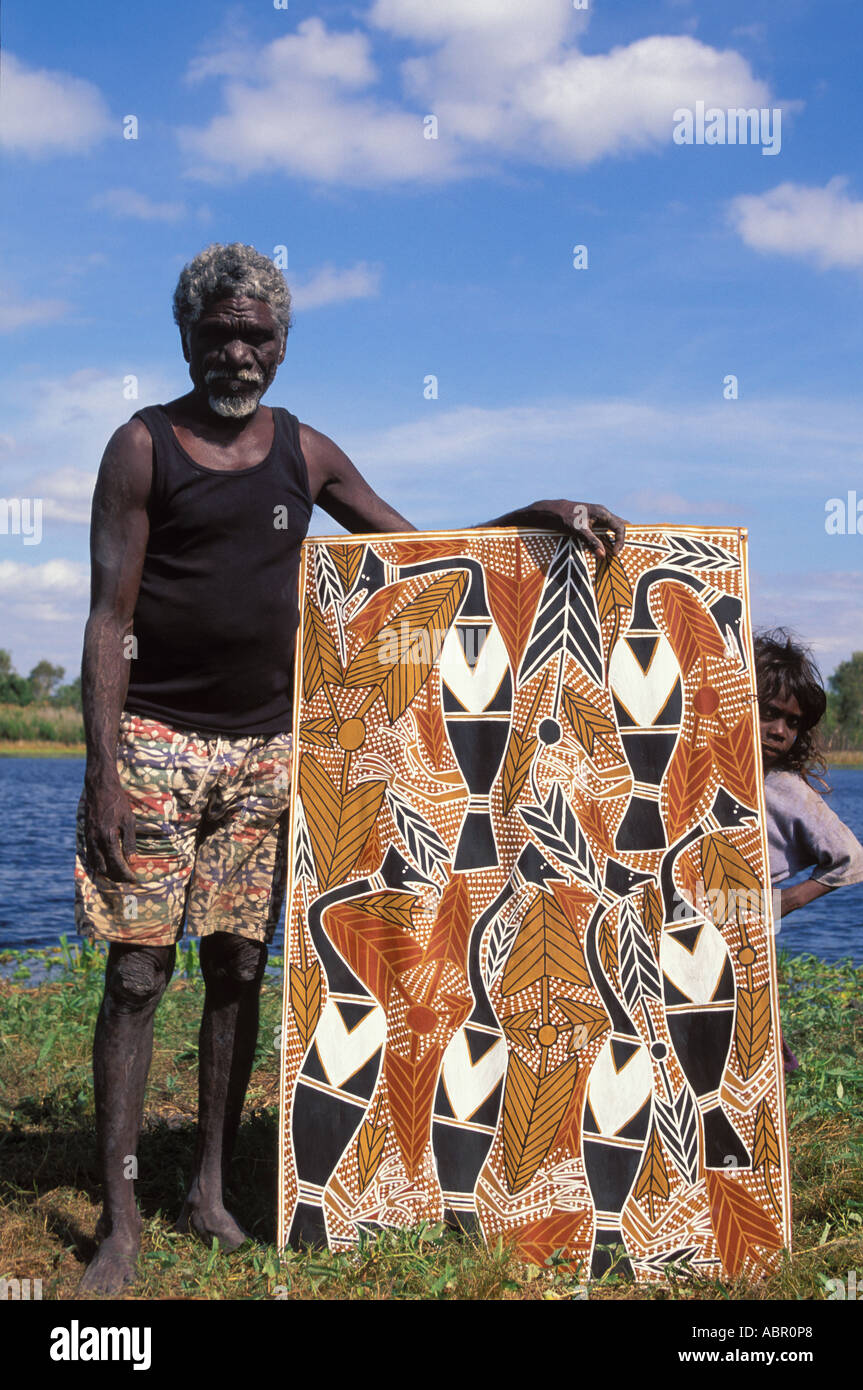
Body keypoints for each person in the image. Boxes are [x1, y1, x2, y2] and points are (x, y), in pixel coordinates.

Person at [74, 241, 627, 1293]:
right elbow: (108, 617)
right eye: (220, 333)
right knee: (139, 971)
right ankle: (119, 1224)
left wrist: (529, 517)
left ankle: (207, 1191)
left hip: (270, 747)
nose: (238, 352)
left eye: (257, 335)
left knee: (236, 969)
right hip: (153, 740)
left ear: (282, 344)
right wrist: (103, 767)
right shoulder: (142, 447)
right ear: (185, 337)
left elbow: (409, 550)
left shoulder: (304, 452)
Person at [755, 629, 863, 1071]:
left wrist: (787, 900)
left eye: (793, 722)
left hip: (742, 914)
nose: (781, 731)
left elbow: (850, 857)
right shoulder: (696, 768)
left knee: (750, 1015)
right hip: (686, 909)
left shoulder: (782, 788)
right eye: (770, 713)